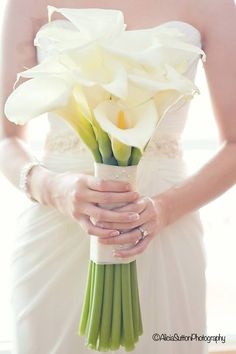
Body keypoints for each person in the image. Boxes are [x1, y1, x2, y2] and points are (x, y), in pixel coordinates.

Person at [0, 0, 235, 353]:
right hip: (56, 223)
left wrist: (163, 210)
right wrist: (53, 189)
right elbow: (5, 137)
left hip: (165, 226)